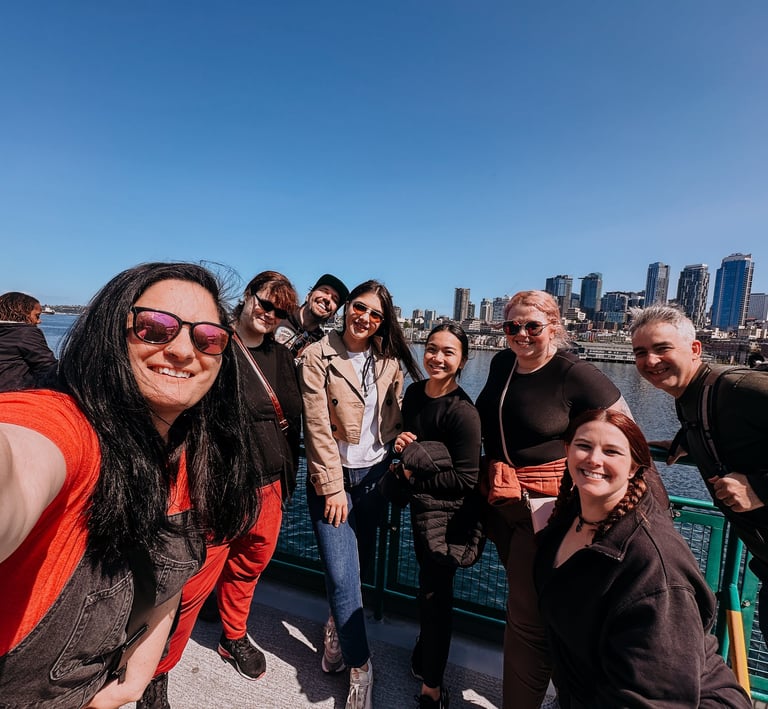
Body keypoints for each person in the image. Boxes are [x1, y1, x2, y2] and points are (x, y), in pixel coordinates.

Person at [0, 262, 261, 707]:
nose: (183, 350)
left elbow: (170, 573)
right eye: (155, 328)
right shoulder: (67, 427)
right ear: (110, 334)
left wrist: (139, 672)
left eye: (208, 338)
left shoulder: (190, 457)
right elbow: (18, 465)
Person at [138, 271, 302, 707]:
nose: (270, 315)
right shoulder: (216, 344)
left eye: (280, 311)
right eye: (265, 304)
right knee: (190, 588)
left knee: (248, 568)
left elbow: (297, 420)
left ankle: (234, 636)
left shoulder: (282, 358)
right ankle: (157, 671)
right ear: (247, 297)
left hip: (271, 484)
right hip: (221, 483)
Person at [474, 290, 633, 709]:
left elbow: (627, 434)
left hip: (547, 506)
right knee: (538, 604)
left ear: (554, 327)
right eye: (512, 326)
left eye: (532, 326)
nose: (521, 334)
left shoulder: (574, 373)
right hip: (502, 500)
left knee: (527, 618)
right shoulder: (501, 362)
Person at [533, 408, 751, 708]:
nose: (594, 459)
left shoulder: (654, 567)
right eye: (584, 446)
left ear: (635, 466)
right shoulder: (569, 518)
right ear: (567, 451)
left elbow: (658, 696)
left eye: (612, 451)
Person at [299, 280, 422, 709]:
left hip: (374, 477)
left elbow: (397, 408)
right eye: (359, 307)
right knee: (341, 574)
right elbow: (316, 429)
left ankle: (336, 624)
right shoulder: (317, 356)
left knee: (360, 567)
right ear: (347, 307)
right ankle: (361, 667)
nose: (364, 318)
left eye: (375, 314)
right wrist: (332, 487)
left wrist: (404, 436)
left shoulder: (388, 360)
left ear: (382, 322)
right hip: (333, 481)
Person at [630, 303, 768, 642]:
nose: (650, 361)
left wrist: (760, 488)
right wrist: (688, 439)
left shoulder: (740, 388)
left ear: (694, 349)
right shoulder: (691, 397)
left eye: (662, 348)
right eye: (640, 352)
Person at [393, 323, 482, 709]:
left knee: (435, 596)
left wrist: (411, 471)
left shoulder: (463, 413)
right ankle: (424, 648)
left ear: (463, 359)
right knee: (426, 589)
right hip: (421, 509)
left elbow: (466, 478)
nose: (437, 358)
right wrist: (401, 445)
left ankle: (432, 689)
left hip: (447, 518)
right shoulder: (413, 394)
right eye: (432, 349)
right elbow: (407, 442)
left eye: (448, 352)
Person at [275, 272, 349, 359]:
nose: (328, 299)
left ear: (332, 315)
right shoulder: (279, 314)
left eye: (334, 299)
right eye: (324, 291)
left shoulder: (321, 346)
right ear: (308, 296)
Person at [0, 290, 58, 391]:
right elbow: (47, 366)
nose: (39, 321)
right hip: (13, 391)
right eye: (37, 316)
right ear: (23, 313)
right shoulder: (26, 332)